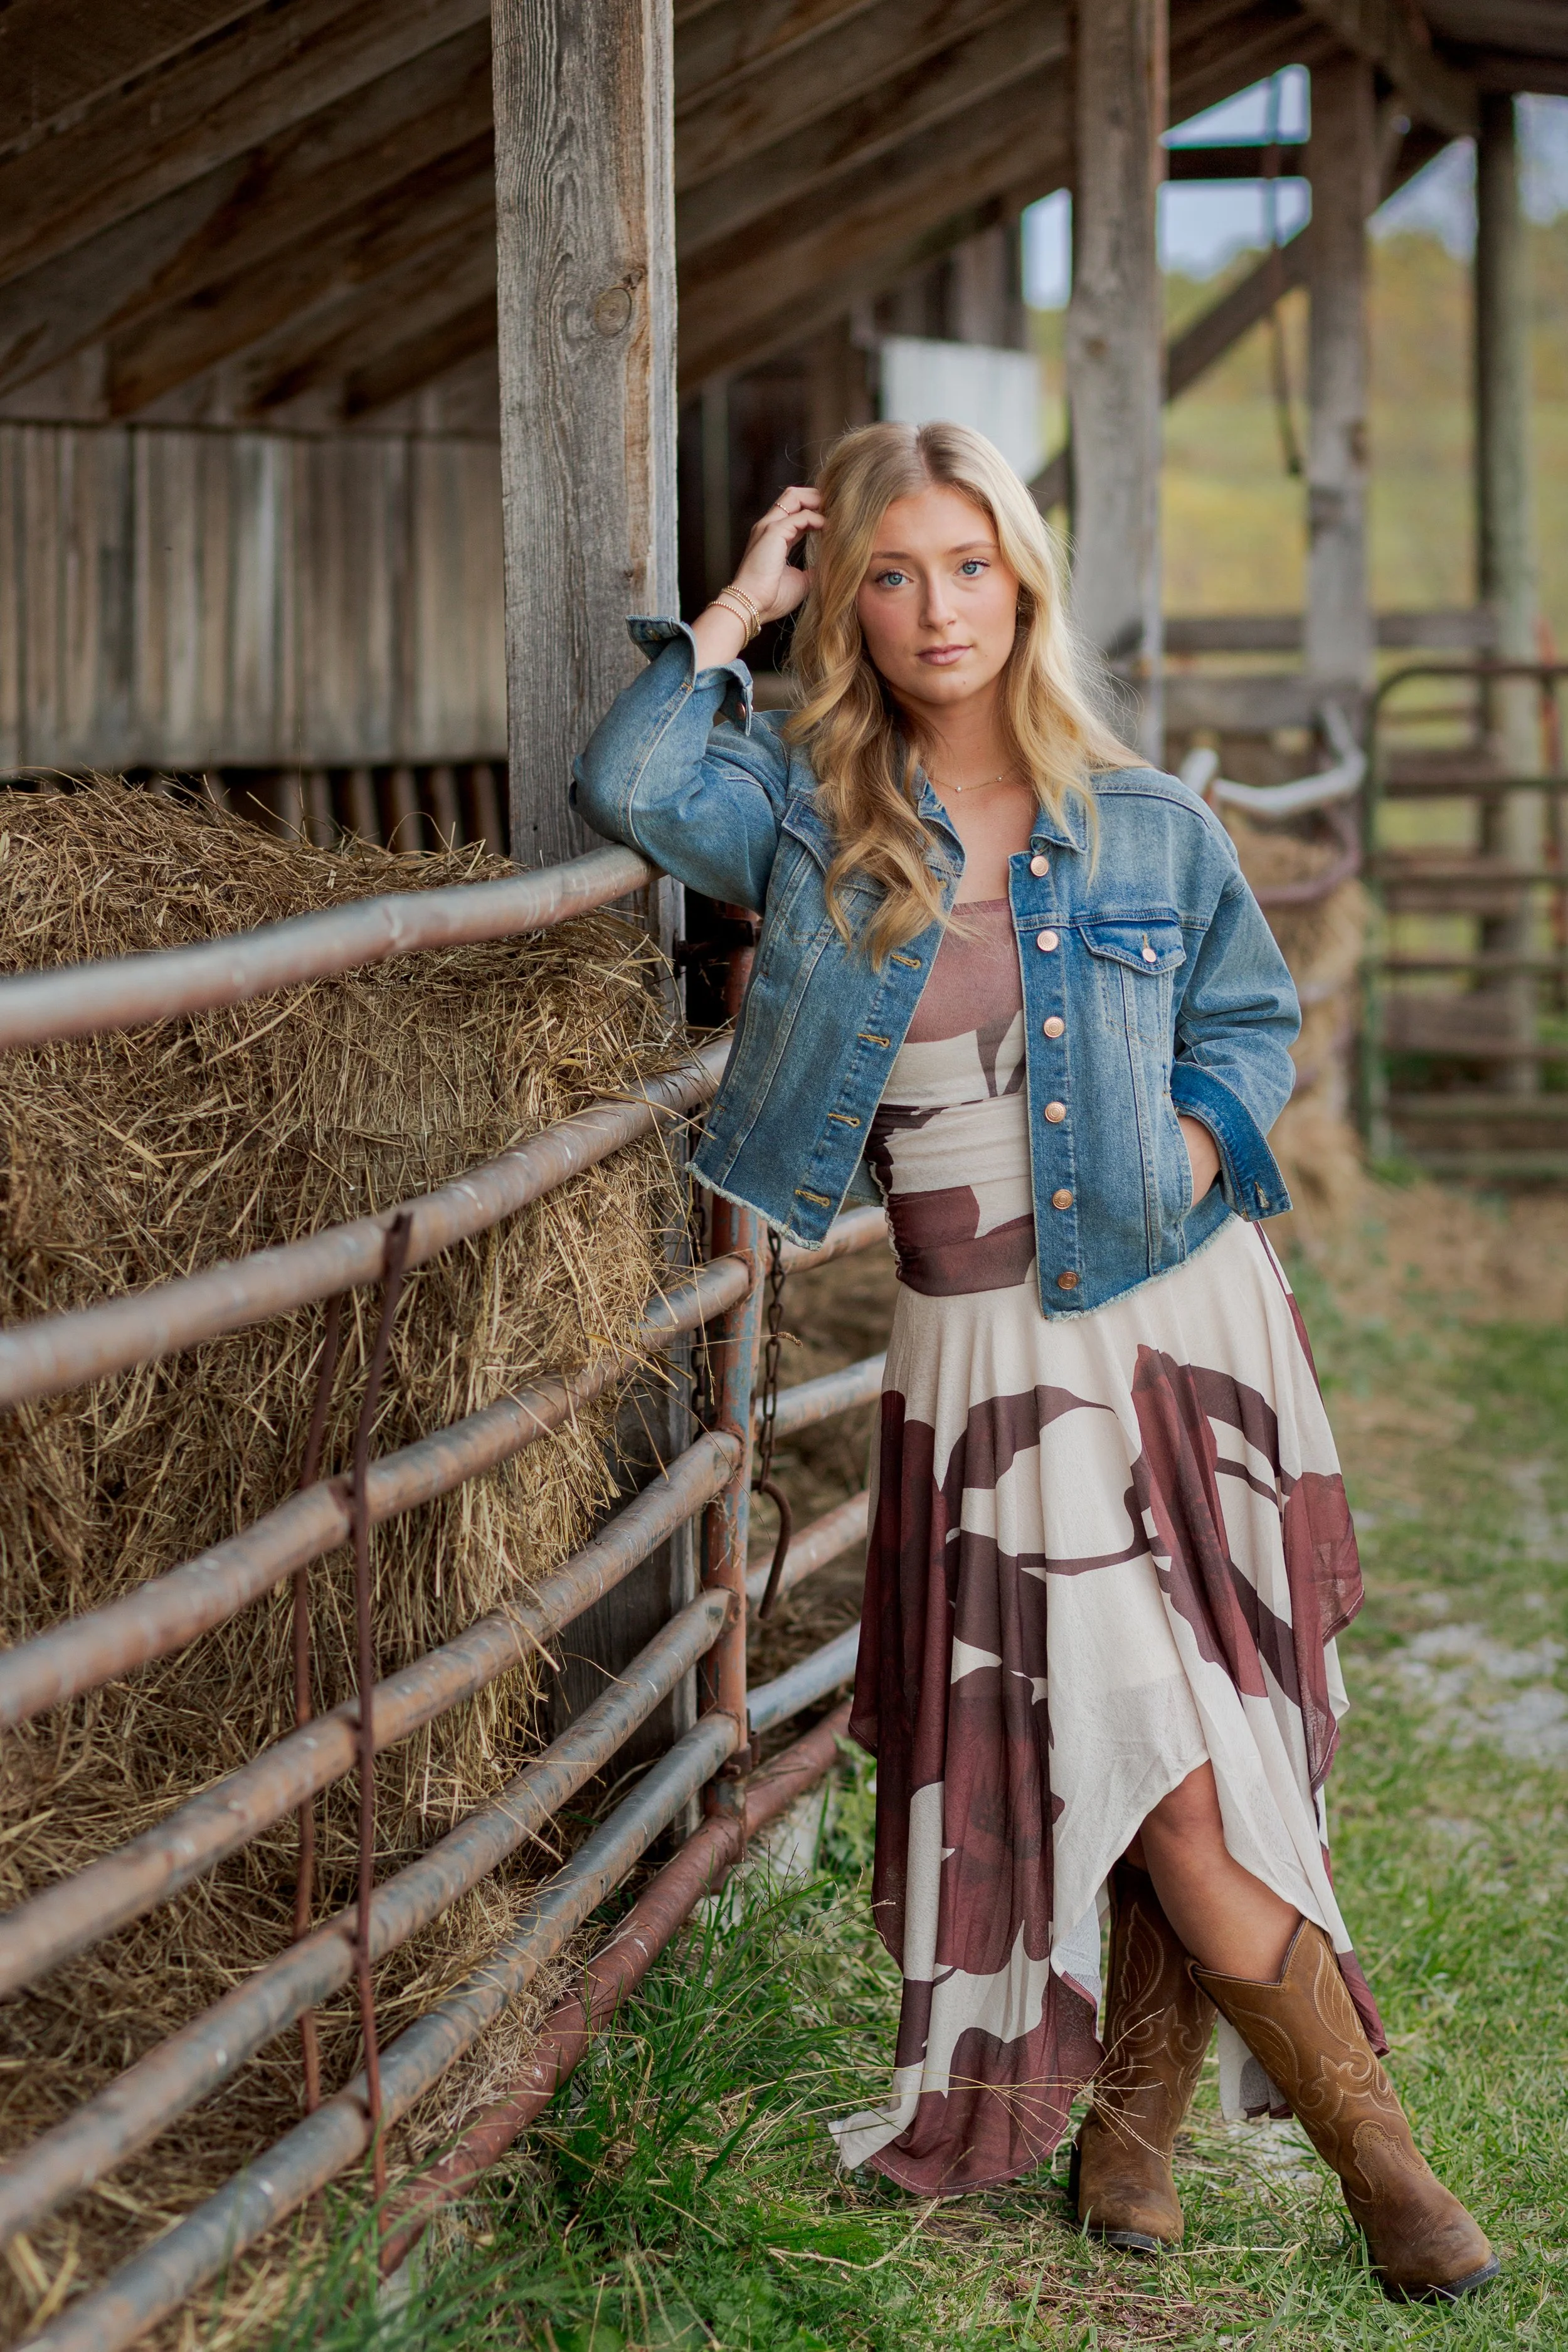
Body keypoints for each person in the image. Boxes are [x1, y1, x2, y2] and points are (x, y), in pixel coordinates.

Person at [573, 421, 1496, 2303]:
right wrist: (741, 607)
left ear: (1026, 581)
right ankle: (1343, 2157)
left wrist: (1212, 1153)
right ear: (852, 604)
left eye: (968, 566)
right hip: (987, 1351)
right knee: (1145, 1741)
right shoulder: (809, 817)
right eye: (889, 575)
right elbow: (631, 773)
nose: (934, 611)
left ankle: (1212, 2150)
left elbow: (1248, 1022)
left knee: (1185, 1738)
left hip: (1181, 1315)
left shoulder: (1143, 817)